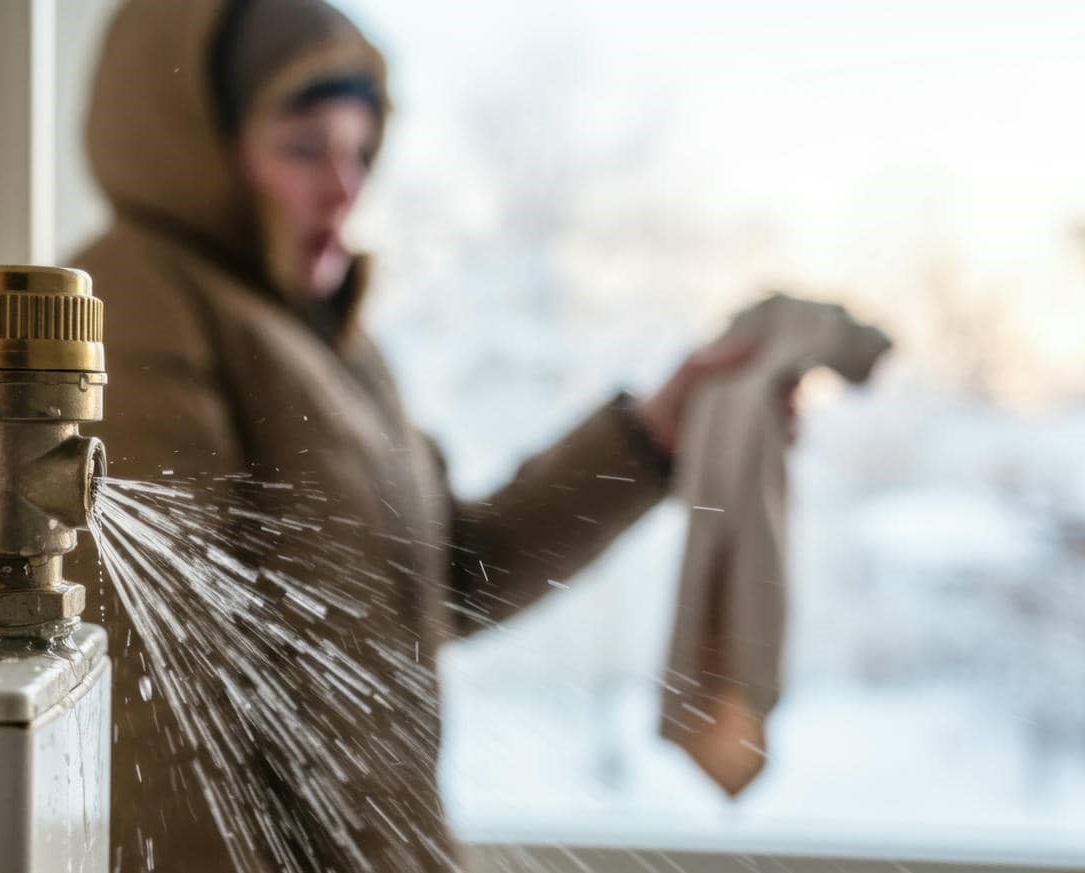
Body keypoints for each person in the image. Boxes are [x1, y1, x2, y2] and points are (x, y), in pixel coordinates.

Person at [69, 0, 762, 869]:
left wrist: (648, 438)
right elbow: (154, 694)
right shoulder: (132, 300)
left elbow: (447, 574)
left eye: (360, 152)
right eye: (303, 148)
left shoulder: (333, 342)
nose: (345, 186)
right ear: (197, 150)